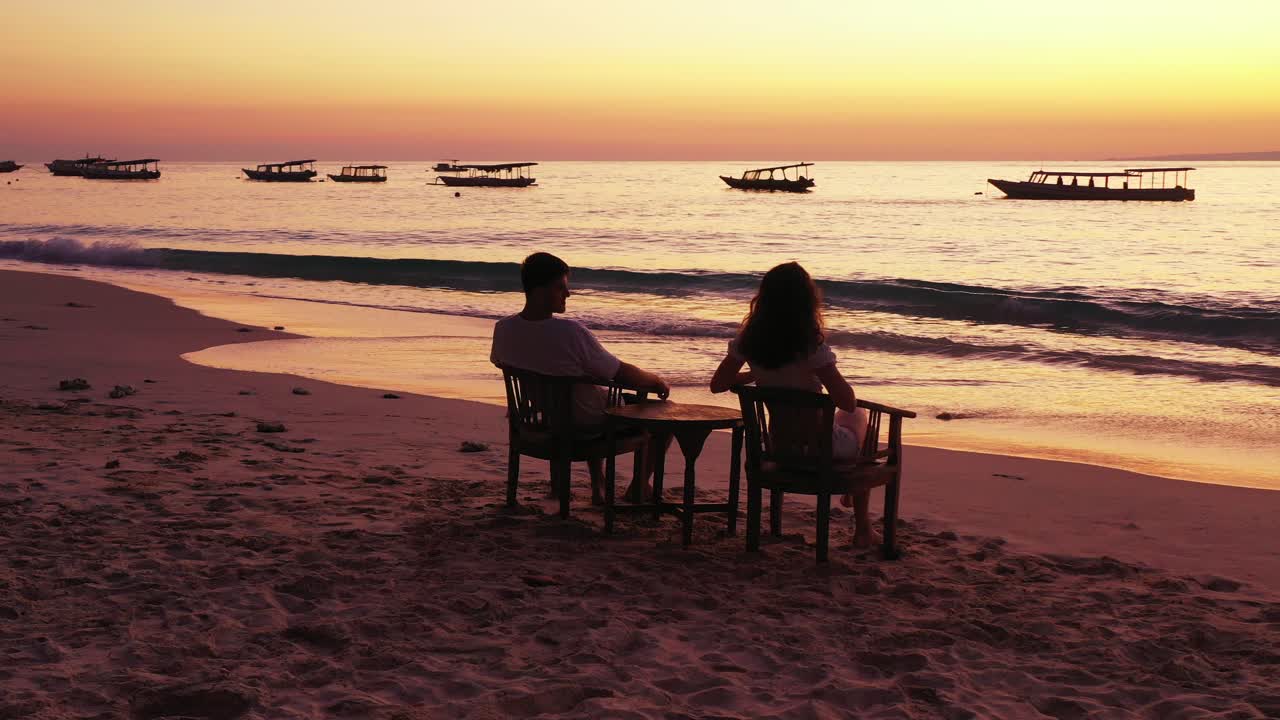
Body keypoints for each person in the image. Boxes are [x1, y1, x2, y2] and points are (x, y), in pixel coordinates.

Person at [708, 262, 876, 547]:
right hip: (820, 450)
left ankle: (854, 494)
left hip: (779, 448)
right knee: (860, 416)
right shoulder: (811, 348)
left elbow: (718, 384)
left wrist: (756, 373)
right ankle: (861, 521)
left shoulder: (748, 342)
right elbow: (846, 401)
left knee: (843, 421)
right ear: (807, 302)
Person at [491, 252, 671, 504]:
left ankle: (597, 482)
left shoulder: (503, 328)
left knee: (586, 392)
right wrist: (656, 381)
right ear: (540, 290)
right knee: (664, 414)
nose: (568, 294)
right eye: (561, 287)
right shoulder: (570, 332)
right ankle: (638, 486)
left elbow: (500, 361)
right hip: (585, 423)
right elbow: (620, 373)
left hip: (540, 418)